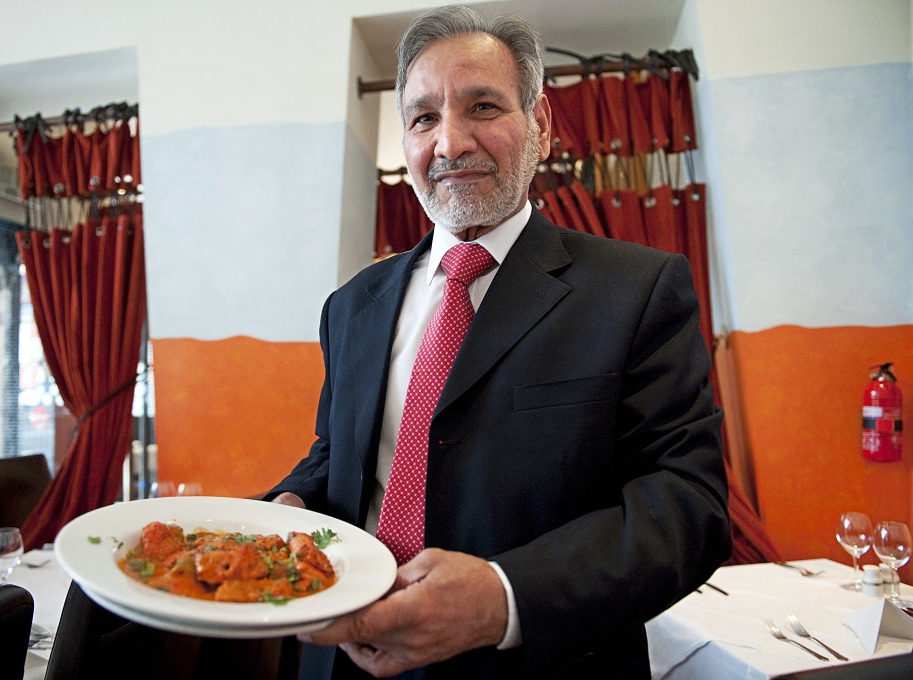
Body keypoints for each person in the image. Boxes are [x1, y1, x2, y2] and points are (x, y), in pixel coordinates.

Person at [267, 5, 732, 678]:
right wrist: (294, 503)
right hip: (342, 658)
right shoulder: (352, 307)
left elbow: (687, 505)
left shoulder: (637, 290)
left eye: (482, 107)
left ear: (538, 123)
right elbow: (340, 455)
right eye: (424, 118)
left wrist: (503, 598)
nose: (450, 142)